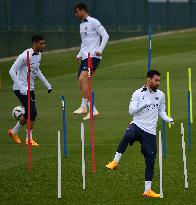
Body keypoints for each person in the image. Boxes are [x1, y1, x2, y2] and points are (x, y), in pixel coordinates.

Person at [106, 70, 174, 198]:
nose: (159, 83)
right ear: (149, 80)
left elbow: (162, 112)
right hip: (137, 125)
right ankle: (115, 161)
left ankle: (147, 190)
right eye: (156, 80)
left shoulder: (161, 95)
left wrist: (168, 118)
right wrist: (142, 105)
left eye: (159, 80)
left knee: (150, 160)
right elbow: (131, 111)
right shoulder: (137, 93)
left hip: (150, 132)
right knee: (128, 134)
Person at [8, 35, 52, 146]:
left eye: (44, 43)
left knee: (29, 112)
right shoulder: (24, 56)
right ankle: (29, 139)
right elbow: (11, 71)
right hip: (20, 89)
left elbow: (36, 70)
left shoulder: (39, 55)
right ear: (34, 43)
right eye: (41, 43)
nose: (43, 46)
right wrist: (21, 87)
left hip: (30, 89)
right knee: (33, 112)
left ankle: (13, 132)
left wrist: (47, 84)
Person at [73, 3, 109, 120]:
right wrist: (79, 54)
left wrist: (100, 49)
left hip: (93, 56)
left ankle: (84, 107)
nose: (76, 15)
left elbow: (105, 35)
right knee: (81, 83)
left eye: (77, 12)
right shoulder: (81, 25)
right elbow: (84, 43)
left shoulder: (94, 21)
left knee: (82, 79)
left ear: (82, 10)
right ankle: (92, 109)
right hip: (84, 57)